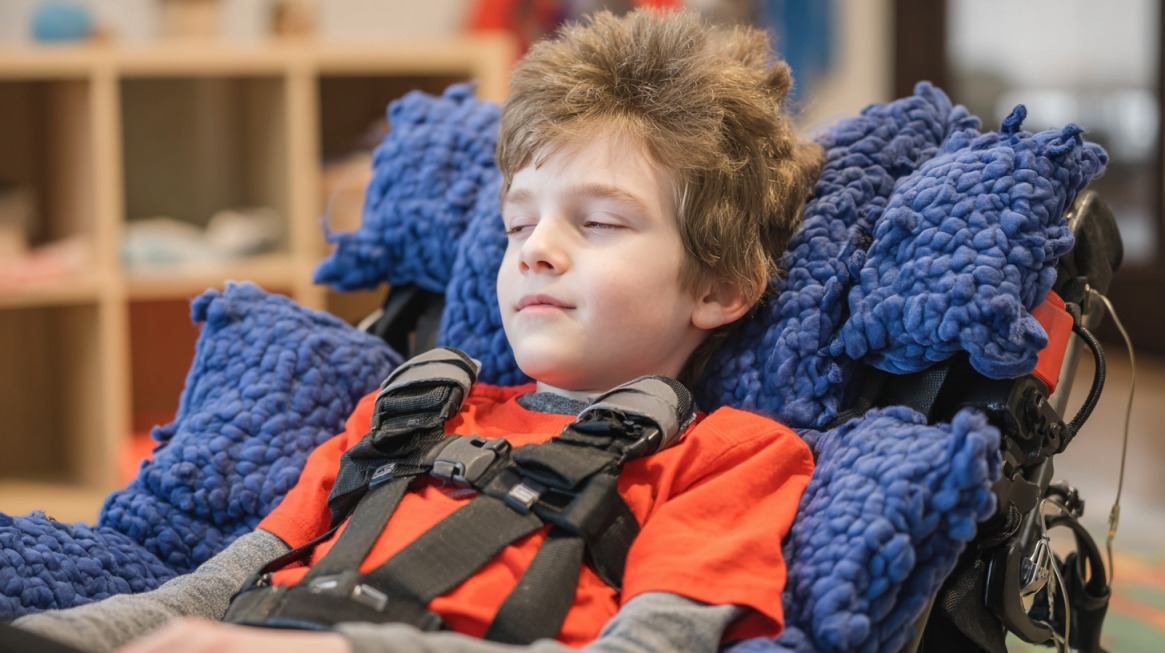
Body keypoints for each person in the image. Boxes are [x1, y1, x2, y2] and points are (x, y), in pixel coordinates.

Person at [14, 8, 823, 653]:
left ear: (719, 287)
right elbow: (203, 593)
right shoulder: (401, 414)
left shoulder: (730, 457)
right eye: (517, 224)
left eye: (599, 222)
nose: (535, 250)